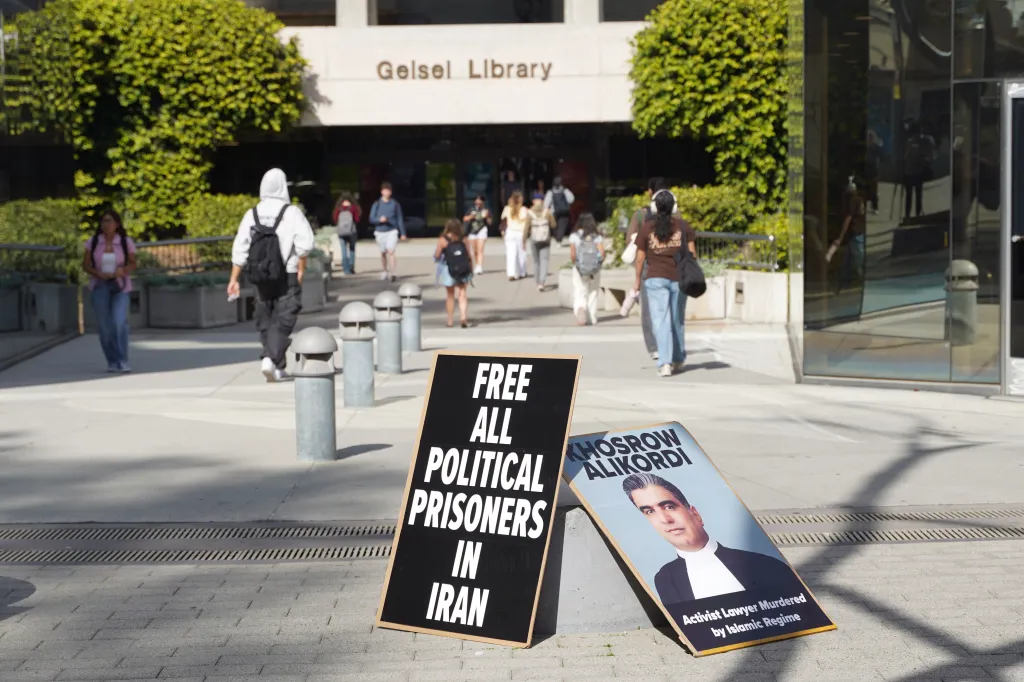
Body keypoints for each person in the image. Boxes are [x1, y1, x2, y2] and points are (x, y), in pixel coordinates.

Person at [621, 473, 800, 605]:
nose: (665, 519)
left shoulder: (765, 564)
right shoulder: (665, 578)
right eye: (649, 512)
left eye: (669, 506)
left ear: (695, 514)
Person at [227, 168, 316, 383]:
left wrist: (233, 279)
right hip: (287, 273)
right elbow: (306, 245)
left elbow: (240, 248)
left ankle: (278, 365)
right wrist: (300, 266)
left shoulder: (253, 213)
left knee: (265, 318)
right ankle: (269, 358)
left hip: (259, 277)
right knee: (285, 318)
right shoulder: (291, 212)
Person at [634, 189, 696, 377]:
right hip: (679, 278)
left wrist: (637, 280)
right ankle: (678, 358)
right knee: (677, 319)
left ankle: (665, 363)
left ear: (653, 207)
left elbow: (640, 258)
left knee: (660, 321)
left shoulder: (646, 229)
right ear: (674, 207)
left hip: (654, 278)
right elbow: (692, 254)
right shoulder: (684, 227)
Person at [82, 210, 137, 373]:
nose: (106, 224)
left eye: (110, 221)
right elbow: (85, 265)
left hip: (120, 285)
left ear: (117, 224)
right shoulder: (93, 242)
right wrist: (97, 273)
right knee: (105, 327)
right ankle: (112, 360)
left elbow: (133, 263)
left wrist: (123, 270)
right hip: (100, 285)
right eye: (104, 221)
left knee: (119, 323)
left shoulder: (125, 242)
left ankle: (122, 359)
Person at [627, 177, 671, 361]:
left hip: (647, 265)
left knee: (648, 309)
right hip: (670, 265)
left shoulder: (640, 214)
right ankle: (668, 344)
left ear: (650, 192)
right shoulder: (675, 216)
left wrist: (636, 277)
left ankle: (654, 347)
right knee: (668, 308)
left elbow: (630, 239)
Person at [434, 218, 473, 328]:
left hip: (448, 269)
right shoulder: (464, 239)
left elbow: (437, 255)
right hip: (463, 268)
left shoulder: (443, 240)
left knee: (450, 295)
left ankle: (450, 321)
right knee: (462, 294)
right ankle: (463, 317)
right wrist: (471, 269)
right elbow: (469, 255)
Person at [569, 212, 605, 325]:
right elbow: (602, 253)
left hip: (580, 268)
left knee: (580, 290)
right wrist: (598, 264)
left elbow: (573, 255)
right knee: (593, 292)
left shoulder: (574, 236)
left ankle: (580, 308)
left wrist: (577, 265)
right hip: (594, 270)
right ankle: (592, 317)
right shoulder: (597, 237)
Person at [834, 177, 866, 293]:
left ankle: (847, 283)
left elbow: (848, 218)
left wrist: (841, 236)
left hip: (855, 234)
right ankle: (842, 284)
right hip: (856, 234)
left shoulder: (852, 201)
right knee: (852, 261)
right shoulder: (856, 200)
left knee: (856, 261)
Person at [369, 182, 407, 281]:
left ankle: (393, 272)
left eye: (388, 190)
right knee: (383, 252)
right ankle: (385, 271)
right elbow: (371, 218)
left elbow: (399, 218)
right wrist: (379, 220)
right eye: (385, 190)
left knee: (391, 251)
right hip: (380, 231)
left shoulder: (395, 204)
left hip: (392, 230)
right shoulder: (377, 204)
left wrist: (403, 233)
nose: (386, 192)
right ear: (382, 192)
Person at [525, 191, 555, 291]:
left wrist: (523, 240)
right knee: (544, 260)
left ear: (533, 201)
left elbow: (526, 228)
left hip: (534, 239)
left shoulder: (529, 213)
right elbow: (553, 225)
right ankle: (542, 282)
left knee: (536, 261)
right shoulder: (547, 212)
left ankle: (537, 281)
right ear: (542, 201)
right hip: (546, 239)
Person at [500, 190, 529, 281]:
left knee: (510, 254)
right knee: (521, 253)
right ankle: (522, 272)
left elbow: (503, 221)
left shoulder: (507, 208)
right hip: (520, 232)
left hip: (510, 232)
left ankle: (511, 273)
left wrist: (502, 233)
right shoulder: (524, 210)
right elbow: (527, 223)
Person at [463, 195, 492, 276]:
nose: (478, 203)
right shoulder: (471, 209)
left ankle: (479, 266)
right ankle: (477, 265)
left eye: (480, 202)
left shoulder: (486, 210)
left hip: (482, 230)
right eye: (477, 201)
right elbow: (465, 218)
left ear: (483, 202)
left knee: (480, 249)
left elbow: (490, 222)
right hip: (472, 231)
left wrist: (487, 217)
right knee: (475, 250)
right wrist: (471, 216)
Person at [332, 193, 360, 276]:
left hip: (341, 232)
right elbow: (357, 219)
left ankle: (346, 269)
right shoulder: (353, 208)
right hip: (352, 232)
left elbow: (335, 219)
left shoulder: (338, 208)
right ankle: (351, 267)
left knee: (343, 251)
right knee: (352, 249)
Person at [545, 176, 575, 245]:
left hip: (554, 212)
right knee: (562, 226)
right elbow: (571, 200)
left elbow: (546, 204)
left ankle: (557, 237)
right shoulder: (565, 190)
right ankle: (559, 239)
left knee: (555, 226)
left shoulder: (550, 192)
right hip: (564, 211)